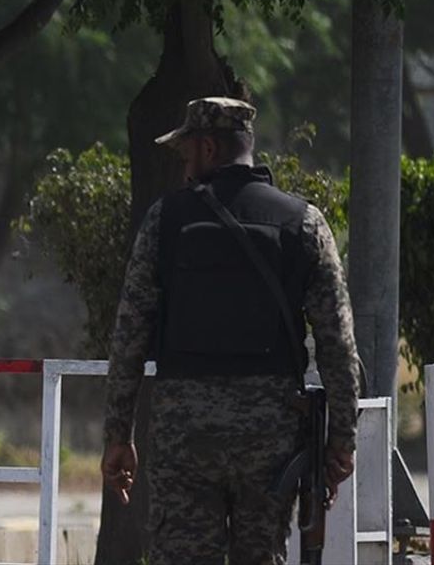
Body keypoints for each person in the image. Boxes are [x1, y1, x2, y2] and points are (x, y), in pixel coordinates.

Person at [100, 97, 360, 565]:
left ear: (208, 148)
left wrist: (119, 435)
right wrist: (342, 440)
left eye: (187, 155)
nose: (185, 169)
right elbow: (338, 344)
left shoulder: (165, 221)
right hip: (270, 440)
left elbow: (129, 336)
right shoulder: (304, 223)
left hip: (185, 436)